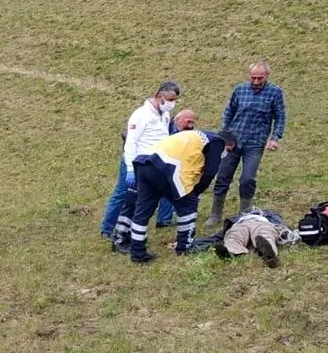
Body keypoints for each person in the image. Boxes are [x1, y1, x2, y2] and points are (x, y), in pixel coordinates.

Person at [126, 129, 237, 263]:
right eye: (229, 150)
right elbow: (210, 172)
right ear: (228, 143)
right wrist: (198, 190)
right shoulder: (217, 142)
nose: (226, 154)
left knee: (143, 211)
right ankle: (184, 247)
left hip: (144, 162)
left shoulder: (197, 136)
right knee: (188, 204)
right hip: (167, 167)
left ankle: (137, 253)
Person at [206, 62, 286, 227]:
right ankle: (215, 215)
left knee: (247, 179)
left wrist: (274, 138)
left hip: (255, 144)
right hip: (233, 142)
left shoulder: (275, 92)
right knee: (222, 177)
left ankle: (245, 215)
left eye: (260, 78)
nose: (256, 81)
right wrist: (224, 136)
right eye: (253, 77)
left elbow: (280, 116)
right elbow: (229, 112)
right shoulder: (240, 89)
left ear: (267, 76)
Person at [100, 107, 196, 238]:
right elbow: (129, 138)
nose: (191, 126)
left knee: (170, 187)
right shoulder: (160, 125)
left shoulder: (183, 132)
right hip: (135, 160)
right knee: (122, 193)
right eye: (188, 122)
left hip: (159, 162)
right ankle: (107, 229)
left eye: (192, 123)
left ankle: (164, 220)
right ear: (178, 119)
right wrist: (130, 167)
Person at [110, 81, 182, 252]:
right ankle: (119, 237)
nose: (172, 103)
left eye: (175, 100)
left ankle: (133, 237)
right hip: (138, 165)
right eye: (170, 99)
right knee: (131, 202)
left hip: (154, 166)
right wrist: (130, 169)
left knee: (143, 204)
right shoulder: (140, 115)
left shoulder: (164, 115)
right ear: (159, 96)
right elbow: (131, 143)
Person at [215, 212, 280, 267]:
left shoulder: (237, 217)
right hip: (261, 223)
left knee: (234, 237)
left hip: (242, 224)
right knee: (266, 234)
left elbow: (219, 235)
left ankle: (231, 251)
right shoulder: (271, 215)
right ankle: (269, 254)